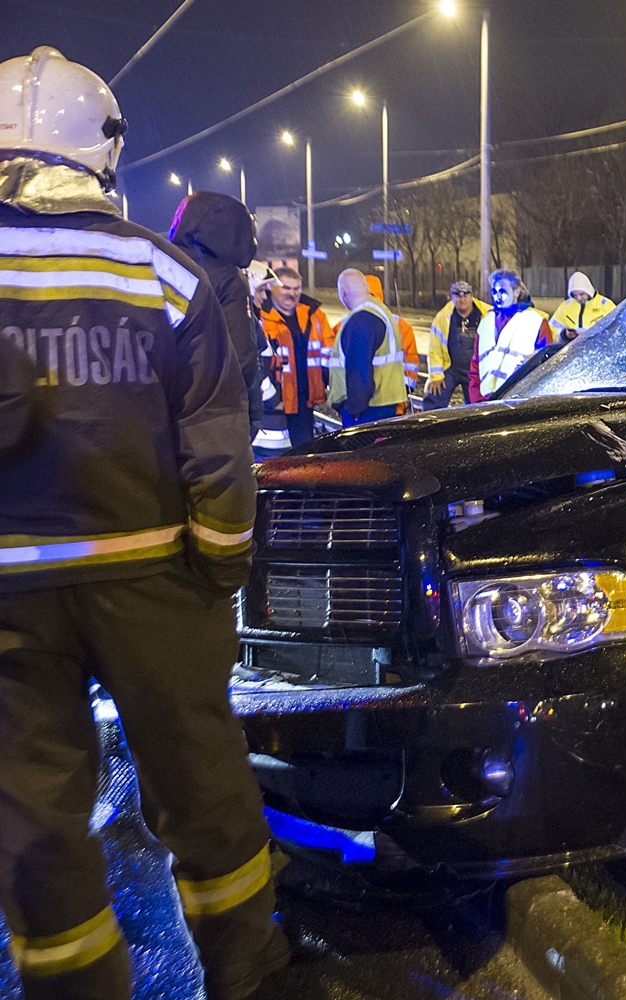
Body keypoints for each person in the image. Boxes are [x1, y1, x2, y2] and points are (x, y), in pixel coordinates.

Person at [0, 47, 289, 1000]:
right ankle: (247, 974)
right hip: (151, 580)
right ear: (100, 155)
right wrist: (220, 566)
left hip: (8, 597)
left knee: (35, 817)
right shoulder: (161, 273)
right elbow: (217, 446)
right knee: (203, 787)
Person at [169, 191, 263, 443]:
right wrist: (252, 414)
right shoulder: (229, 279)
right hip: (213, 415)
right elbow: (241, 356)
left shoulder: (159, 264)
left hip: (161, 409)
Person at [259, 267, 335, 448]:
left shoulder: (314, 315)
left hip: (305, 402)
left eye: (297, 288)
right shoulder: (262, 316)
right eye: (286, 288)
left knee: (303, 454)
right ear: (271, 288)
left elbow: (329, 351)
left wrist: (327, 383)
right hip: (275, 404)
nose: (292, 294)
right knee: (276, 458)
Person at [328, 267, 405, 425]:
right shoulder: (379, 310)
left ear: (343, 292)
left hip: (367, 411)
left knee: (362, 450)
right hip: (384, 403)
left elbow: (359, 369)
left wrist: (354, 409)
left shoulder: (361, 320)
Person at [468, 269, 552, 403]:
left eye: (503, 291)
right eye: (494, 292)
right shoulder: (486, 322)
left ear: (517, 292)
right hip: (485, 402)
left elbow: (545, 369)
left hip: (519, 402)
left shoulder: (536, 321)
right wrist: (476, 400)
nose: (497, 297)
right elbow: (475, 368)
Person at [424, 280, 489, 408]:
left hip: (475, 370)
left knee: (477, 406)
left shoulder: (486, 313)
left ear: (471, 296)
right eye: (458, 295)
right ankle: (429, 426)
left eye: (465, 295)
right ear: (451, 297)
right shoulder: (443, 317)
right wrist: (436, 376)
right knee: (434, 396)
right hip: (451, 367)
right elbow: (435, 348)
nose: (462, 299)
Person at [362, 274, 420, 412]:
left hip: (383, 405)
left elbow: (410, 362)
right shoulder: (400, 325)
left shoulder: (346, 324)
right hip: (389, 403)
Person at [548, 271, 615, 341]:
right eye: (575, 295)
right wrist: (564, 334)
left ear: (588, 291)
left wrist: (603, 329)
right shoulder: (565, 307)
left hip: (600, 347)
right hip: (572, 349)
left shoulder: (606, 305)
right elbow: (551, 330)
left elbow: (619, 328)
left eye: (581, 294)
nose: (578, 298)